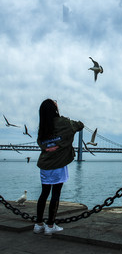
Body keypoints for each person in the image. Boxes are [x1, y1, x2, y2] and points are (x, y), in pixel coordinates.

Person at [33, 99, 84, 235]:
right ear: (54, 108)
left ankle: (38, 224)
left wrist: (47, 146)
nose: (57, 104)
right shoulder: (64, 123)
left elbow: (40, 141)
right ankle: (50, 225)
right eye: (55, 103)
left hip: (45, 163)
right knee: (55, 193)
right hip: (58, 164)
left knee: (44, 193)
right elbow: (80, 125)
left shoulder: (43, 125)